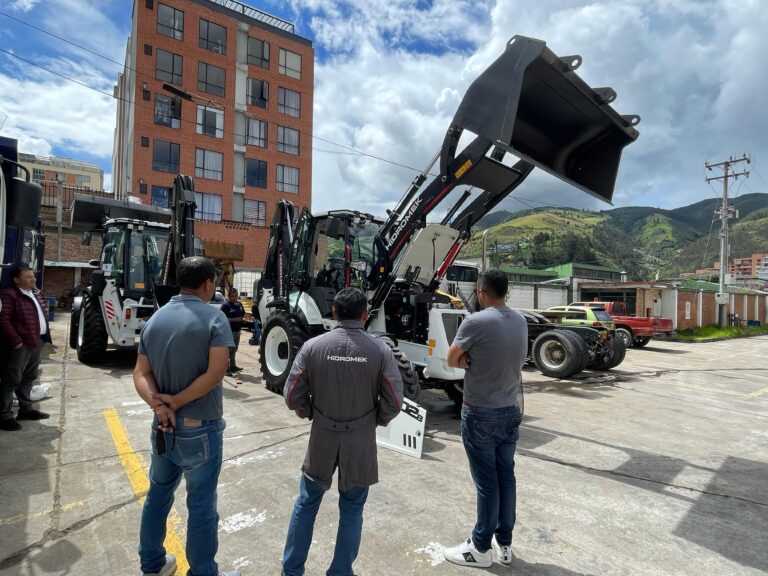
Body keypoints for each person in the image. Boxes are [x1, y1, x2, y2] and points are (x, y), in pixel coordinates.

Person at [281, 287, 404, 576]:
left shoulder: (312, 347)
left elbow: (292, 394)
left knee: (306, 503)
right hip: (360, 440)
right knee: (352, 509)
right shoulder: (380, 351)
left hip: (322, 435)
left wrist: (308, 411)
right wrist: (376, 419)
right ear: (365, 315)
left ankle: (291, 570)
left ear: (334, 313)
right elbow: (395, 401)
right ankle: (340, 571)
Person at [132, 256, 239, 576]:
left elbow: (140, 373)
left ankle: (152, 565)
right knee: (202, 506)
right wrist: (176, 402)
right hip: (199, 429)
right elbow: (216, 373)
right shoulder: (214, 318)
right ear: (208, 284)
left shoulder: (156, 318)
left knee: (157, 496)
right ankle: (203, 572)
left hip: (163, 426)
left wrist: (160, 406)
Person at [442, 269, 528, 568]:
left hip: (480, 413)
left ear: (480, 291)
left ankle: (479, 548)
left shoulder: (475, 321)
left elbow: (451, 358)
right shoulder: (520, 320)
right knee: (506, 477)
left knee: (487, 483)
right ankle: (504, 544)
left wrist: (468, 360)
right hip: (510, 410)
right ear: (506, 291)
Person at [0, 266, 51, 431]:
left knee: (29, 377)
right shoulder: (9, 295)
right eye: (28, 277)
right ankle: (4, 416)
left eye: (33, 276)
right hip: (21, 344)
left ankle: (26, 410)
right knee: (11, 380)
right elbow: (3, 320)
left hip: (37, 341)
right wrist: (16, 341)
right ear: (16, 280)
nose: (33, 279)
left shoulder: (36, 293)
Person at [220, 287, 245, 374]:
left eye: (236, 296)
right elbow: (222, 318)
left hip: (237, 330)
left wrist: (243, 319)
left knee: (234, 349)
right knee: (228, 350)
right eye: (233, 296)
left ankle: (233, 366)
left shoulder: (239, 304)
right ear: (229, 296)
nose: (235, 298)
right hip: (229, 331)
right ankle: (226, 369)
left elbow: (243, 314)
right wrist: (234, 320)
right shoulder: (226, 305)